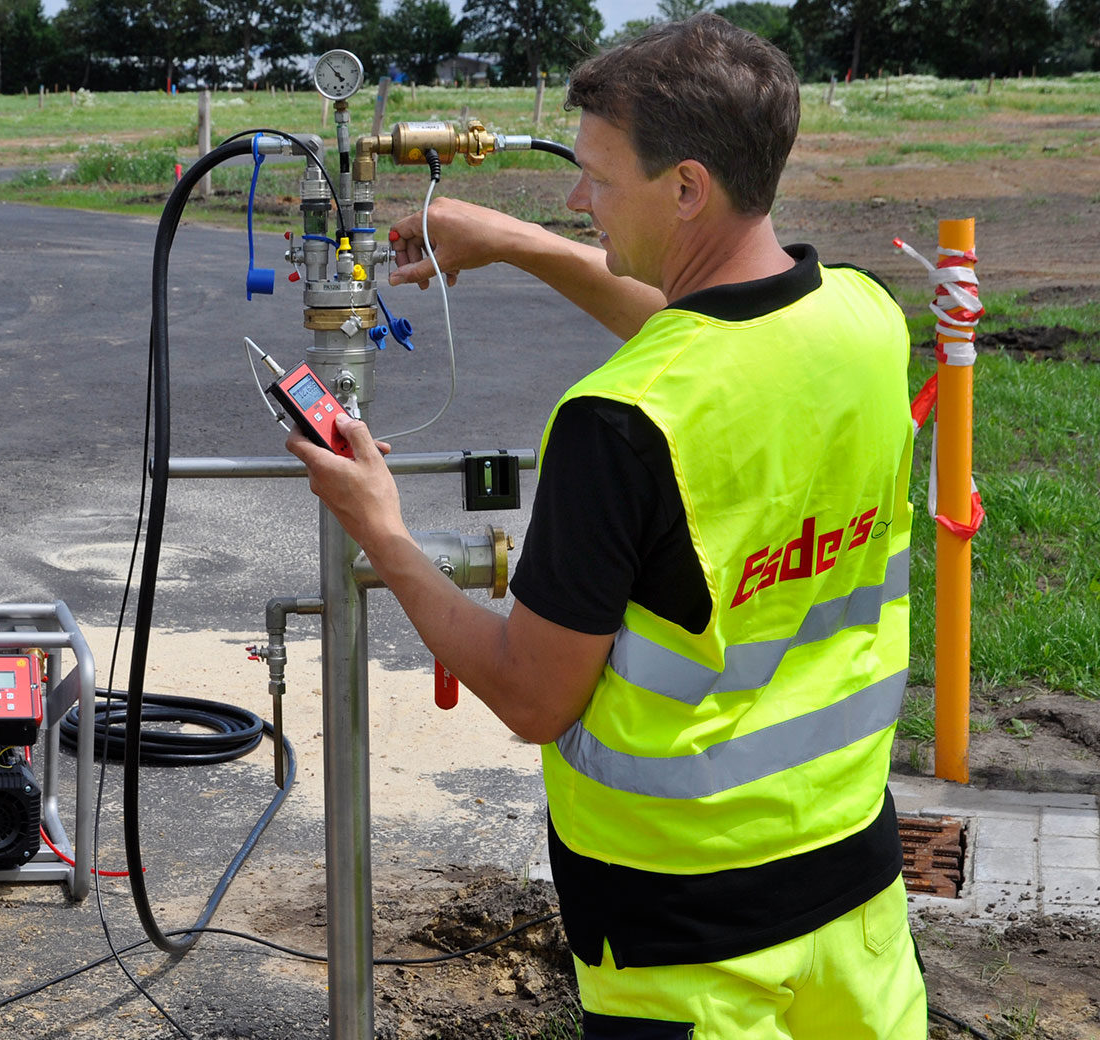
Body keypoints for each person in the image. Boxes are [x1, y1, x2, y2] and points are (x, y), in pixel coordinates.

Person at [286, 14, 926, 1039]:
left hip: (686, 940)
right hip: (855, 898)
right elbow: (717, 328)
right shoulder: (863, 319)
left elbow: (534, 695)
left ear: (686, 188)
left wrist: (386, 534)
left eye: (595, 177)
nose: (579, 200)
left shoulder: (617, 424)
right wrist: (515, 242)